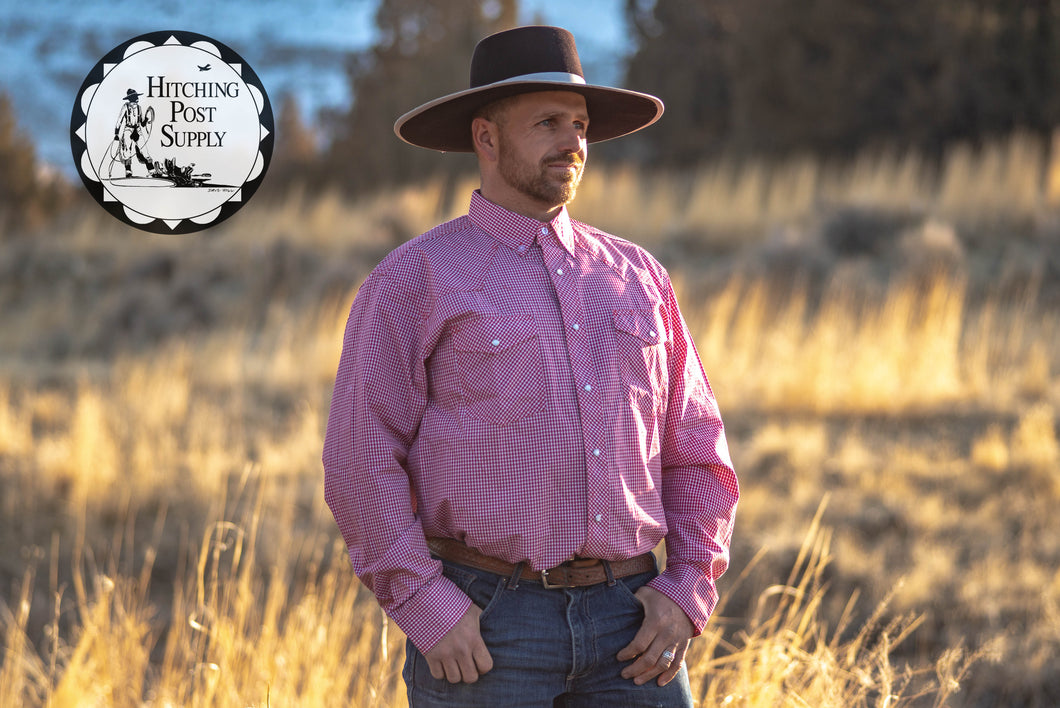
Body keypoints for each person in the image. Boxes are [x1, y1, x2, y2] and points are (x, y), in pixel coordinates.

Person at [323, 25, 738, 707]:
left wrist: (686, 589)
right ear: (486, 138)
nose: (573, 142)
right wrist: (427, 608)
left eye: (579, 124)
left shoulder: (639, 278)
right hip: (485, 627)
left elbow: (695, 451)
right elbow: (359, 457)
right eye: (548, 123)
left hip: (634, 626)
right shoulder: (414, 278)